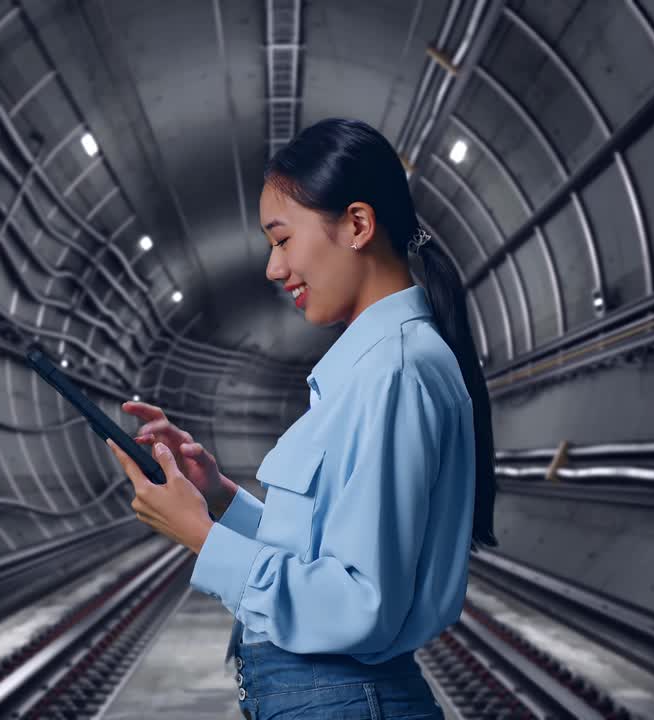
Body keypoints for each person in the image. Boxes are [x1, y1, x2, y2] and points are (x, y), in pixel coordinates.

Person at [105, 117, 497, 720]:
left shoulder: (391, 372)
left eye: (282, 239)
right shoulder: (374, 367)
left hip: (341, 699)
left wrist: (200, 537)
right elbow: (327, 553)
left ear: (358, 225)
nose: (272, 267)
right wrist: (218, 496)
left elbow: (360, 605)